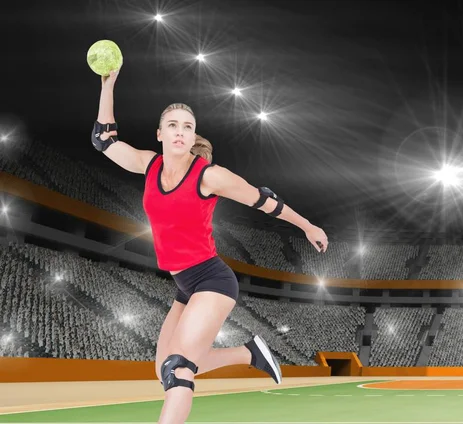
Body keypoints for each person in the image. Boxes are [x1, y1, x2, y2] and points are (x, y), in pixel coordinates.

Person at [92, 69, 328, 424]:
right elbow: (104, 141)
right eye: (172, 125)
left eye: (187, 126)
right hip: (184, 285)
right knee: (163, 370)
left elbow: (265, 201)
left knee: (178, 368)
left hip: (212, 281)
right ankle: (248, 354)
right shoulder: (149, 164)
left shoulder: (208, 175)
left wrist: (307, 225)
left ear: (192, 136)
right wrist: (108, 86)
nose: (180, 131)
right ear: (160, 134)